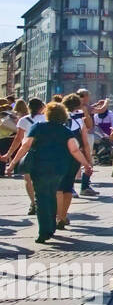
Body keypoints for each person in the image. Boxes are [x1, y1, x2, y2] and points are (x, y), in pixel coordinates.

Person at [5, 102, 92, 244]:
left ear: (48, 114)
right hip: (59, 168)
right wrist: (86, 164)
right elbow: (74, 150)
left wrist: (13, 163)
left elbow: (26, 145)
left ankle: (44, 231)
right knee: (52, 195)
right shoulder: (65, 131)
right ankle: (51, 226)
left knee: (41, 198)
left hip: (39, 167)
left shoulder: (38, 127)